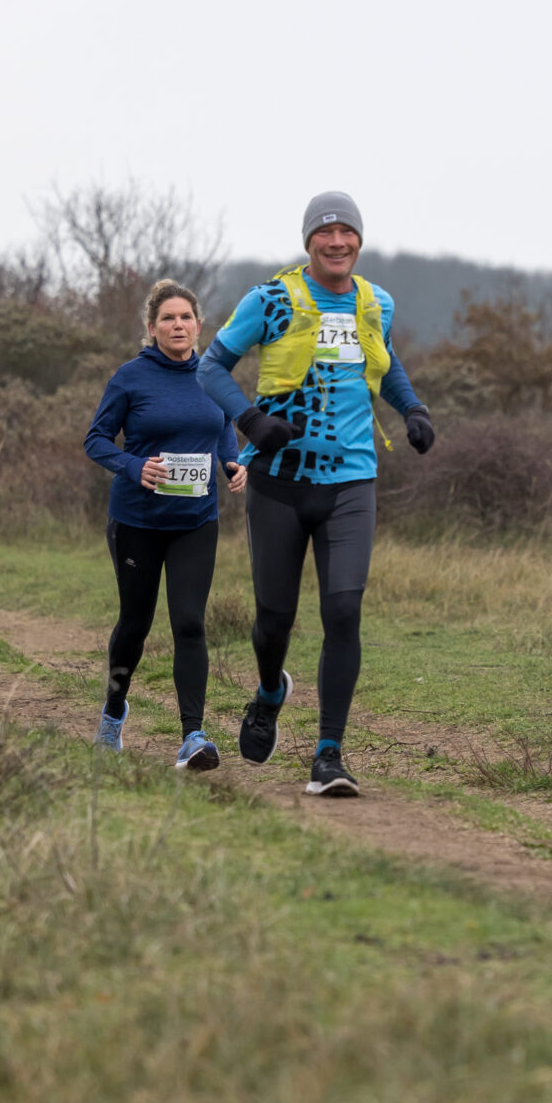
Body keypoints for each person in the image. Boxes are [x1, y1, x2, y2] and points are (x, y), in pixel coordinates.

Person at [198, 191, 434, 797]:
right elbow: (209, 368)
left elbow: (388, 361)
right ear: (309, 242)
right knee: (273, 621)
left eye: (346, 233)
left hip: (352, 481)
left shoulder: (373, 301)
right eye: (325, 233)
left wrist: (412, 408)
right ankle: (271, 690)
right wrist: (250, 423)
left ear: (359, 240)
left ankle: (329, 754)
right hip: (278, 483)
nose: (337, 243)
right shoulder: (271, 299)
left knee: (344, 611)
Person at [84, 279, 246, 769]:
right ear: (152, 328)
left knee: (190, 622)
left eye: (186, 317)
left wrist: (232, 463)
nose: (178, 325)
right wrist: (134, 467)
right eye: (168, 318)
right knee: (135, 624)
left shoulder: (214, 377)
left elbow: (221, 429)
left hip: (196, 520)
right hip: (137, 519)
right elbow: (96, 440)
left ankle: (193, 736)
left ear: (199, 325)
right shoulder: (131, 377)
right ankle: (114, 713)